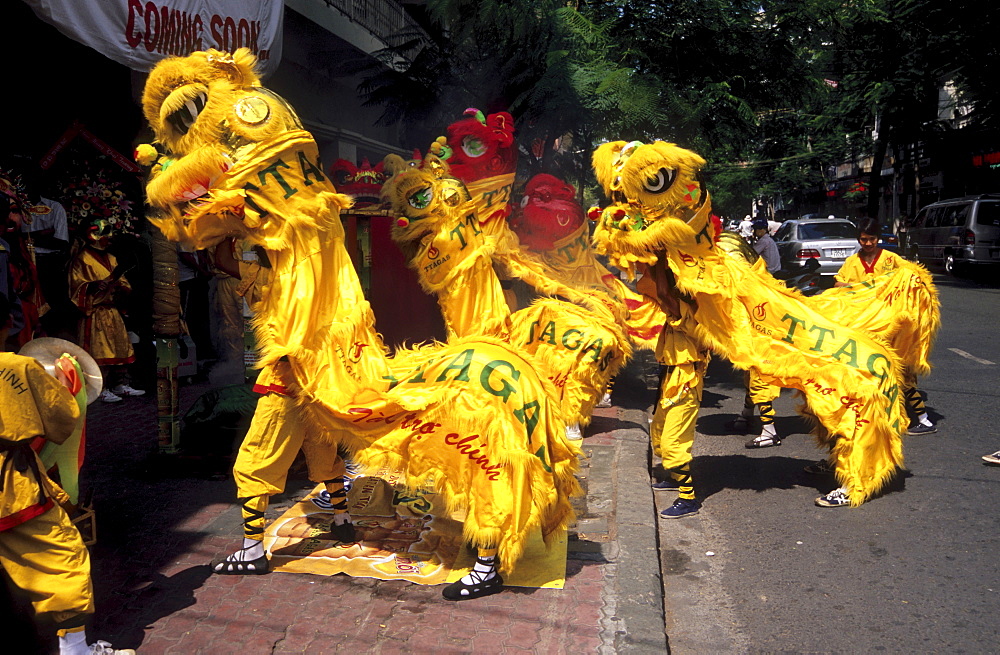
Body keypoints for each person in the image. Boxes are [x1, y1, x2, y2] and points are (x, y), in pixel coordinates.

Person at [210, 237, 355, 574]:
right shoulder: (329, 280)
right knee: (325, 457)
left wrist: (222, 229)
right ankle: (343, 521)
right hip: (320, 390)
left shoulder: (270, 277)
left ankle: (252, 552)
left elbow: (223, 262)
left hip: (285, 391)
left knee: (252, 468)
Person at [0, 350, 134, 654]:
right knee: (65, 560)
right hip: (12, 487)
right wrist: (63, 385)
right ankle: (76, 650)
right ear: (8, 321)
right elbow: (62, 417)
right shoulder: (18, 366)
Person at [834, 217, 935, 436]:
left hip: (892, 325)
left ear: (878, 238)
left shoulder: (891, 259)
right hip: (865, 326)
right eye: (863, 239)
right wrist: (858, 287)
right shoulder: (852, 262)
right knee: (868, 370)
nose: (867, 243)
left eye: (871, 239)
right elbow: (838, 283)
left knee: (901, 370)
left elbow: (912, 277)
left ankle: (924, 419)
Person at [639, 258, 707, 519]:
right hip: (670, 381)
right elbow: (654, 291)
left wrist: (657, 255)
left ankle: (688, 498)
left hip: (686, 386)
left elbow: (664, 293)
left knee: (673, 443)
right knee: (658, 434)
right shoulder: (678, 312)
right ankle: (674, 477)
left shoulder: (693, 317)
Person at [67, 218, 144, 403]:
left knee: (120, 348)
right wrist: (93, 286)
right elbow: (75, 286)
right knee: (98, 352)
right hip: (94, 313)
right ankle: (99, 388)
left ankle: (119, 384)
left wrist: (120, 287)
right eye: (105, 233)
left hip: (112, 311)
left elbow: (124, 283)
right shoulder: (82, 259)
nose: (109, 237)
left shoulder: (112, 258)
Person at [15, 161, 74, 339]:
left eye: (33, 180)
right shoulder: (14, 208)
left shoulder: (54, 208)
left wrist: (26, 237)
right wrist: (42, 234)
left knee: (53, 309)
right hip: (23, 263)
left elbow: (61, 242)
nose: (28, 184)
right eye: (24, 180)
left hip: (49, 264)